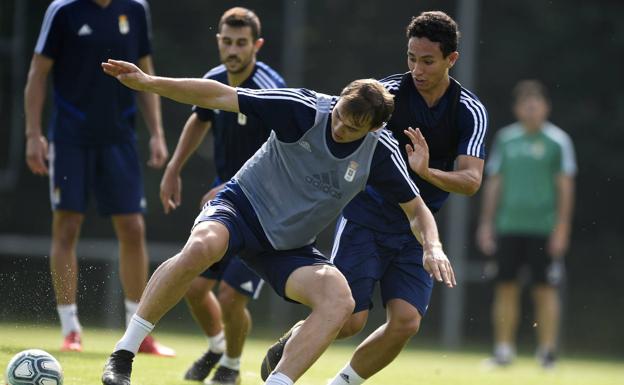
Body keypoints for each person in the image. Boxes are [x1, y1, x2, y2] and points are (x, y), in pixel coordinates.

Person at [99, 59, 455, 385]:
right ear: (341, 98)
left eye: (354, 127)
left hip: (288, 247)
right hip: (241, 210)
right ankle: (124, 354)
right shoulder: (302, 109)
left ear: (375, 128)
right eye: (342, 115)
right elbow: (220, 95)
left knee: (341, 302)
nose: (342, 127)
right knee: (203, 246)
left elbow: (417, 209)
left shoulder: (379, 151)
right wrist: (149, 82)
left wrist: (433, 246)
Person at [259, 11, 487, 384]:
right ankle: (291, 346)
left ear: (452, 59)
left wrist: (427, 172)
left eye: (428, 61)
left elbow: (471, 180)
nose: (417, 68)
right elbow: (340, 134)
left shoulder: (468, 110)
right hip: (367, 215)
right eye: (411, 58)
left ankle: (341, 382)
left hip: (417, 226)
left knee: (406, 321)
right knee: (350, 321)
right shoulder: (387, 96)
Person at [23, 0, 174, 356]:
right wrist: (33, 134)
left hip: (120, 137)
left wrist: (157, 132)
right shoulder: (63, 10)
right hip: (70, 137)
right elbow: (37, 73)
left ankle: (138, 333)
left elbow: (146, 72)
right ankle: (70, 328)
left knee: (134, 228)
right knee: (67, 226)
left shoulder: (135, 9)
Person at [159, 7, 285, 384]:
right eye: (227, 42)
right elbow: (200, 117)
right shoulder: (214, 80)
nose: (232, 50)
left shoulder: (269, 88)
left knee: (231, 296)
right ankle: (216, 347)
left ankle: (231, 365)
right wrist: (173, 168)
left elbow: (287, 151)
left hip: (267, 207)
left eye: (241, 43)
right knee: (195, 289)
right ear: (219, 42)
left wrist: (234, 183)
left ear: (256, 45)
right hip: (227, 203)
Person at [476, 80, 576, 368]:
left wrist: (562, 228)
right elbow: (495, 183)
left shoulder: (558, 142)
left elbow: (565, 187)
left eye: (536, 105)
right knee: (505, 288)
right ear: (517, 109)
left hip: (544, 229)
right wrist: (486, 223)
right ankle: (503, 351)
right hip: (508, 227)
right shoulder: (506, 140)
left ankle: (547, 353)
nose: (531, 111)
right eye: (526, 105)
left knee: (544, 290)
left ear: (546, 107)